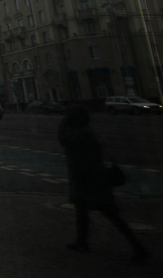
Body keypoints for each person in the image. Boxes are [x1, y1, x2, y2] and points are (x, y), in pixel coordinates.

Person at [58, 105, 148, 263]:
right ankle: (82, 241)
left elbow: (64, 141)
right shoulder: (86, 133)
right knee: (84, 211)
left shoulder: (81, 134)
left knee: (108, 213)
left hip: (90, 181)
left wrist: (62, 124)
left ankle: (138, 247)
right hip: (90, 179)